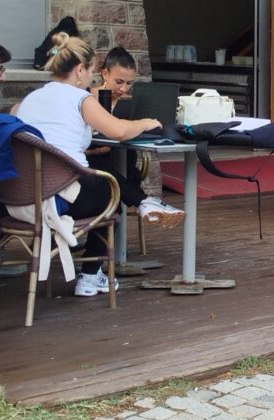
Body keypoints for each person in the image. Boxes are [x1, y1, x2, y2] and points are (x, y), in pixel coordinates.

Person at [15, 33, 180, 297]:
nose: (91, 78)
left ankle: (145, 203)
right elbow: (119, 131)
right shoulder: (80, 98)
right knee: (110, 192)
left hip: (21, 196)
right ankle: (91, 275)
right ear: (80, 69)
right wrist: (146, 123)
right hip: (62, 198)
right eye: (91, 72)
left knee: (103, 176)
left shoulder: (29, 99)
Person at [84, 47, 183, 224]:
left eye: (129, 83)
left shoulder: (129, 106)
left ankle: (142, 202)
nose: (124, 88)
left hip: (118, 162)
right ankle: (143, 201)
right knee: (112, 174)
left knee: (126, 160)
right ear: (105, 74)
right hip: (89, 160)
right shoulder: (86, 99)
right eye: (119, 81)